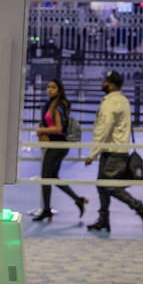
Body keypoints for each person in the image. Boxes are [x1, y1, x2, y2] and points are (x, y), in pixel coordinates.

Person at [84, 70, 143, 233]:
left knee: (110, 186)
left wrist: (93, 153)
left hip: (113, 150)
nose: (103, 83)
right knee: (102, 185)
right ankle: (103, 220)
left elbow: (105, 129)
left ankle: (142, 208)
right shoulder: (123, 100)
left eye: (105, 81)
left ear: (112, 84)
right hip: (115, 149)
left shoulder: (110, 103)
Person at [32, 78, 87, 222]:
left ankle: (46, 210)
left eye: (53, 87)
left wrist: (41, 129)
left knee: (46, 177)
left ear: (59, 90)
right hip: (55, 144)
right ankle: (77, 200)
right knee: (53, 177)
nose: (49, 89)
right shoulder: (50, 104)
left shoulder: (57, 106)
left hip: (58, 145)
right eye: (48, 87)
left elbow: (58, 128)